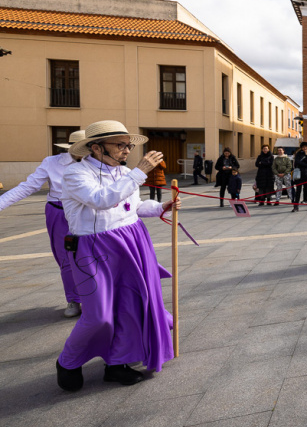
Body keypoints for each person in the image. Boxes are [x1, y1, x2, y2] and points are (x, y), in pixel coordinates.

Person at [58, 120, 180, 391]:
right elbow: (101, 199)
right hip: (92, 248)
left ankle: (116, 364)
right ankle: (67, 361)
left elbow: (132, 206)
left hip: (130, 239)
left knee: (129, 305)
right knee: (98, 314)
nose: (127, 150)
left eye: (128, 145)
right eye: (120, 145)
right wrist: (139, 173)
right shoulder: (75, 174)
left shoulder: (123, 173)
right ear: (96, 147)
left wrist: (162, 206)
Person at [0, 129, 86, 318]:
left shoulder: (95, 162)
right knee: (65, 258)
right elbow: (27, 187)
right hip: (58, 212)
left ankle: (93, 299)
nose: (84, 152)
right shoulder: (51, 162)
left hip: (85, 212)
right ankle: (73, 299)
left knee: (91, 255)